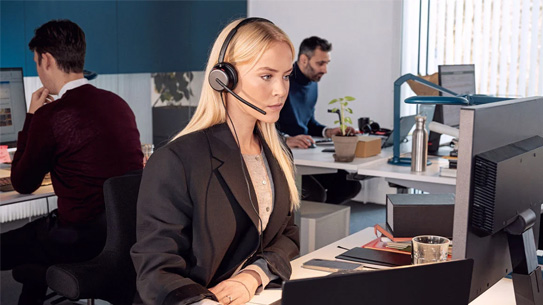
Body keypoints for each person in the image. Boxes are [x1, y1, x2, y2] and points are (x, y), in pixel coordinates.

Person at [130, 18, 300, 305]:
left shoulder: (278, 152)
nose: (281, 90)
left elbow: (288, 236)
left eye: (285, 76)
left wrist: (253, 276)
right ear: (225, 78)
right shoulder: (177, 161)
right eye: (267, 76)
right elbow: (155, 271)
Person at [0, 19, 143, 305]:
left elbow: (22, 183)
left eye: (37, 63)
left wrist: (31, 117)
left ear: (47, 59)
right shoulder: (118, 104)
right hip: (124, 237)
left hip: (77, 241)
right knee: (33, 267)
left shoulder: (51, 116)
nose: (38, 72)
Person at [277, 36, 361, 204]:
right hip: (283, 156)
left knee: (350, 185)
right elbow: (262, 124)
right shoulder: (281, 82)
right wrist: (286, 139)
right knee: (316, 194)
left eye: (327, 63)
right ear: (303, 60)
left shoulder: (312, 83)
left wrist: (328, 132)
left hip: (305, 153)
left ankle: (318, 224)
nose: (325, 70)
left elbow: (308, 122)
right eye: (320, 63)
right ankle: (304, 225)